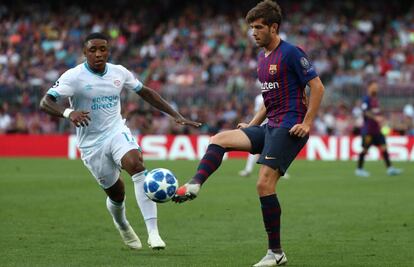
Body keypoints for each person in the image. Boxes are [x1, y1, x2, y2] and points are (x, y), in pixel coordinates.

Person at [173, 1, 325, 266]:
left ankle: (275, 253)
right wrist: (253, 124)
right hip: (270, 126)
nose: (253, 32)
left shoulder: (291, 53)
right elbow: (270, 99)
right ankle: (195, 185)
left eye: (258, 27)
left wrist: (308, 123)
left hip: (290, 126)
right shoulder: (262, 58)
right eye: (251, 27)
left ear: (273, 27)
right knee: (219, 139)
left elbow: (317, 87)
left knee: (263, 184)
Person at [40, 32, 201, 250]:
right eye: (93, 50)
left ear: (108, 51)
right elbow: (46, 102)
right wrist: (69, 113)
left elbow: (145, 92)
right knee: (117, 194)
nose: (98, 54)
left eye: (102, 49)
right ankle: (122, 223)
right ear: (84, 53)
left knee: (136, 165)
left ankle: (153, 233)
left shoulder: (119, 72)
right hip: (91, 144)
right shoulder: (73, 76)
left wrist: (175, 115)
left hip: (116, 131)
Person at [355, 81, 402, 177]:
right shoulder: (366, 99)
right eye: (374, 87)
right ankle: (359, 169)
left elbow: (377, 113)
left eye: (377, 87)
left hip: (377, 130)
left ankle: (390, 169)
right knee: (365, 150)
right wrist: (376, 118)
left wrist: (382, 120)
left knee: (384, 148)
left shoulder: (375, 99)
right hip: (368, 131)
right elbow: (365, 112)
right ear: (369, 87)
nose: (376, 88)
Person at [238, 94, 289, 179]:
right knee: (255, 147)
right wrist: (253, 125)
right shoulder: (259, 98)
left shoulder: (276, 92)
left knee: (276, 148)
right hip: (261, 125)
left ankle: (280, 171)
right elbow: (257, 112)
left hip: (274, 125)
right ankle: (248, 170)